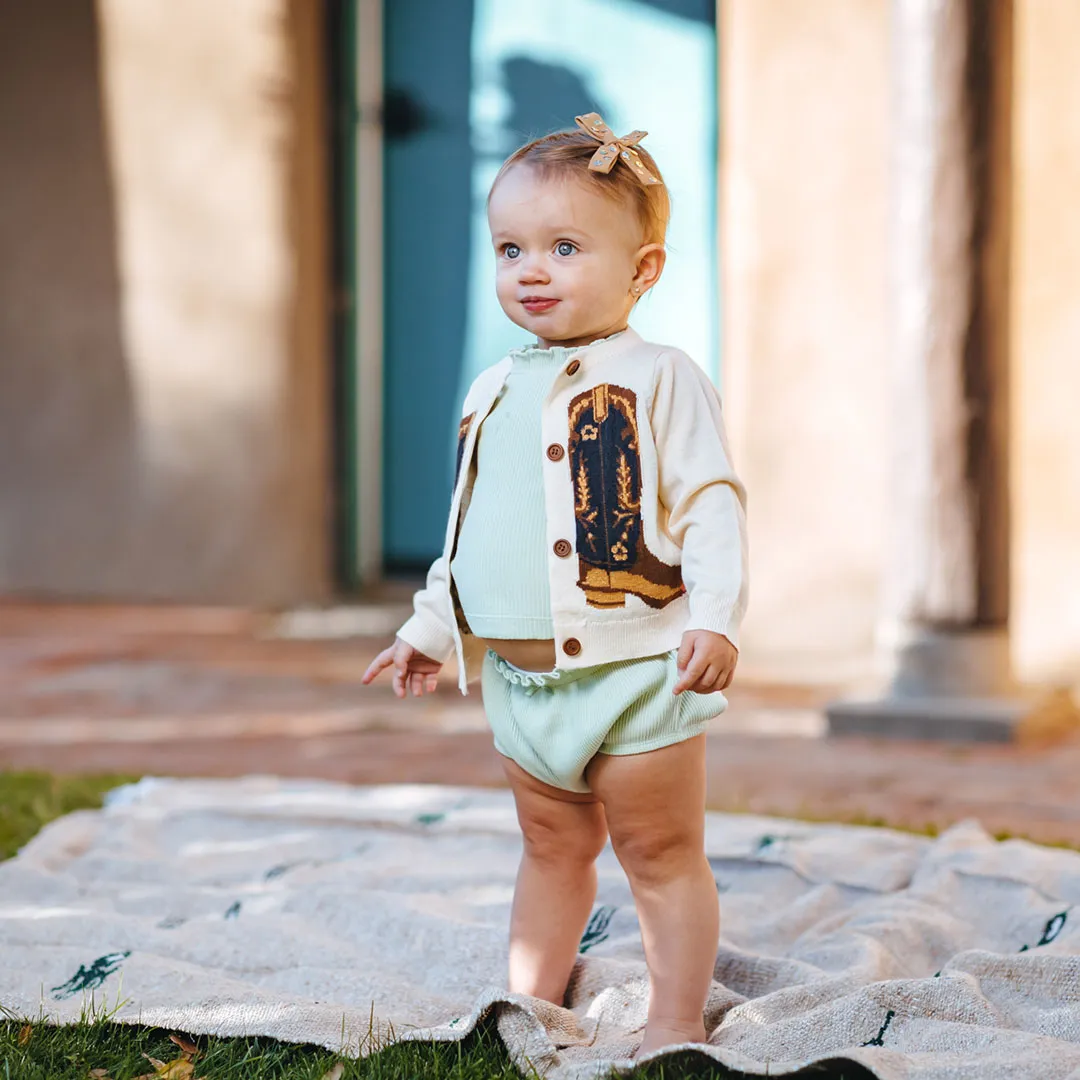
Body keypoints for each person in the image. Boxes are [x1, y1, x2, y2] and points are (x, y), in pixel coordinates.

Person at [362, 112, 748, 1057]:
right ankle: (529, 1000)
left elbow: (711, 503)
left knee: (658, 853)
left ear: (643, 269)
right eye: (510, 248)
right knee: (549, 846)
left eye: (564, 247)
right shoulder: (489, 386)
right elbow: (467, 525)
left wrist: (717, 618)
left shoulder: (661, 376)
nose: (530, 269)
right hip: (522, 688)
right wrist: (431, 626)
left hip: (637, 676)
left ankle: (672, 1018)